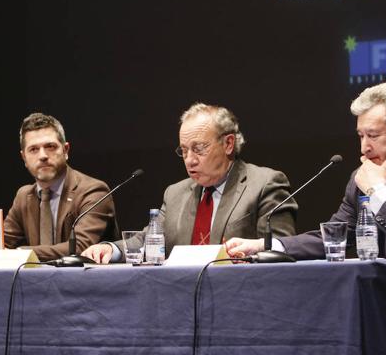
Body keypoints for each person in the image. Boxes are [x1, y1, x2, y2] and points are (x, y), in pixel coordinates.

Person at [81, 103, 297, 264]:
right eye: (183, 151)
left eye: (199, 148)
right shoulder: (175, 193)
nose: (190, 160)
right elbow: (149, 240)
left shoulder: (264, 183)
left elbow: (280, 247)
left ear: (228, 144)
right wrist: (111, 249)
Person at [227, 82, 386, 259]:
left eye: (373, 135)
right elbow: (334, 237)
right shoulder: (362, 179)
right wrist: (265, 245)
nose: (364, 148)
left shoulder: (372, 182)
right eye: (361, 136)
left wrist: (378, 190)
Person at [3, 112, 118, 261]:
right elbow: (1, 244)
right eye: (33, 149)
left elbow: (80, 247)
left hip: (85, 282)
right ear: (24, 158)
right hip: (37, 282)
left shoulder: (93, 191)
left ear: (65, 150)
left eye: (50, 146)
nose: (43, 155)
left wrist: (19, 253)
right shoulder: (24, 196)